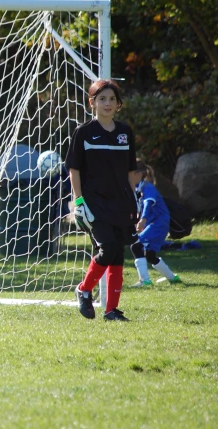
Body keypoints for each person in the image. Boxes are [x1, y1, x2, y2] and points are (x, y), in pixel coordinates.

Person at [66, 79, 139, 322]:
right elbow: (73, 169)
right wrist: (79, 202)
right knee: (107, 248)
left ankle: (111, 311)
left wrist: (134, 198)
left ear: (119, 104)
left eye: (112, 99)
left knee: (117, 254)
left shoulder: (125, 132)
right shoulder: (83, 133)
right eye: (102, 99)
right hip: (94, 204)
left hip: (121, 203)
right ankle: (84, 289)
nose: (107, 103)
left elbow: (130, 171)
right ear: (92, 102)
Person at [130, 160, 182, 287]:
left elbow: (148, 203)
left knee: (136, 246)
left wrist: (143, 220)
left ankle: (145, 281)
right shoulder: (138, 187)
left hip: (158, 224)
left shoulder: (148, 187)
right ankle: (172, 278)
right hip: (153, 224)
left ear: (137, 174)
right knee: (149, 254)